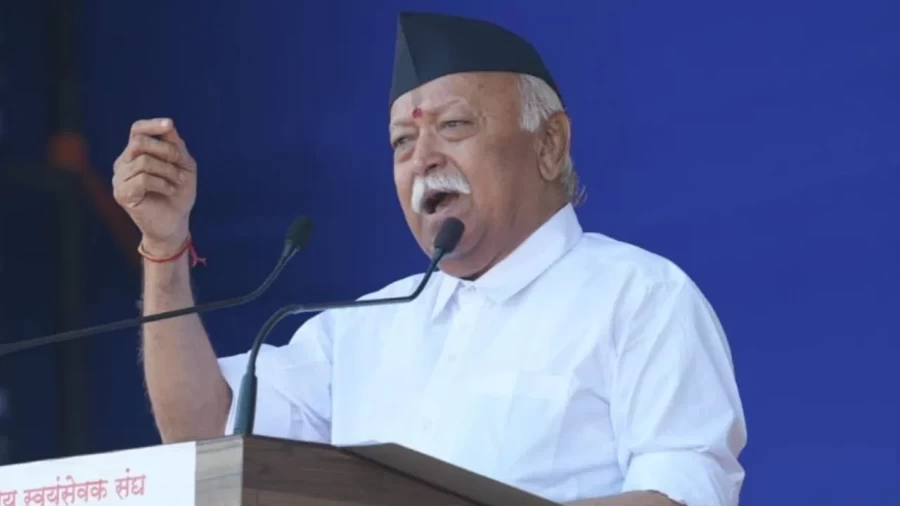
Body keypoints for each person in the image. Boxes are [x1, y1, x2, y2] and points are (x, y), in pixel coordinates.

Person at [112, 11, 746, 506]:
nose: (422, 159)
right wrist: (164, 249)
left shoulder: (639, 297)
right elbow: (204, 435)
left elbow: (683, 494)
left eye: (454, 127)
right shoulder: (363, 328)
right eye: (401, 141)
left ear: (549, 144)